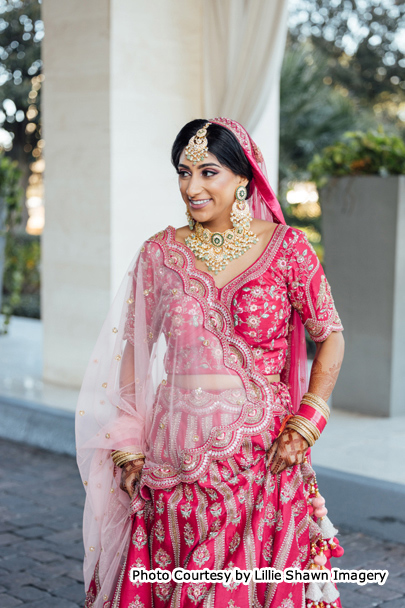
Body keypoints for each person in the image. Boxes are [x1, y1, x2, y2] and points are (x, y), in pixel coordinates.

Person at [76, 118, 345, 608]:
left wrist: (307, 422)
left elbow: (330, 336)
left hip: (263, 462)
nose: (191, 187)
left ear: (243, 177)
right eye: (183, 172)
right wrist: (130, 446)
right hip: (172, 462)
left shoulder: (288, 250)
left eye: (208, 172)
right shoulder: (161, 253)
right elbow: (134, 350)